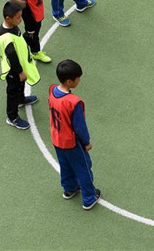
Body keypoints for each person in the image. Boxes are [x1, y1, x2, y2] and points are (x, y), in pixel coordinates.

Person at [48, 59, 102, 210]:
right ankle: (89, 198)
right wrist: (87, 142)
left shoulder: (52, 90)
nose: (79, 81)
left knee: (65, 165)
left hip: (57, 138)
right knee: (83, 168)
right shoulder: (73, 102)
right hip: (71, 142)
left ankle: (69, 188)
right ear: (69, 81)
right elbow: (79, 126)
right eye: (78, 78)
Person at [0, 2, 40, 130]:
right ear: (8, 18)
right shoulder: (7, 37)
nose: (20, 20)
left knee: (21, 86)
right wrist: (20, 72)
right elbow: (12, 57)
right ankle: (12, 117)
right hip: (13, 70)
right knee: (13, 91)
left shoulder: (12, 25)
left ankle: (21, 99)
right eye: (18, 17)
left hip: (20, 66)